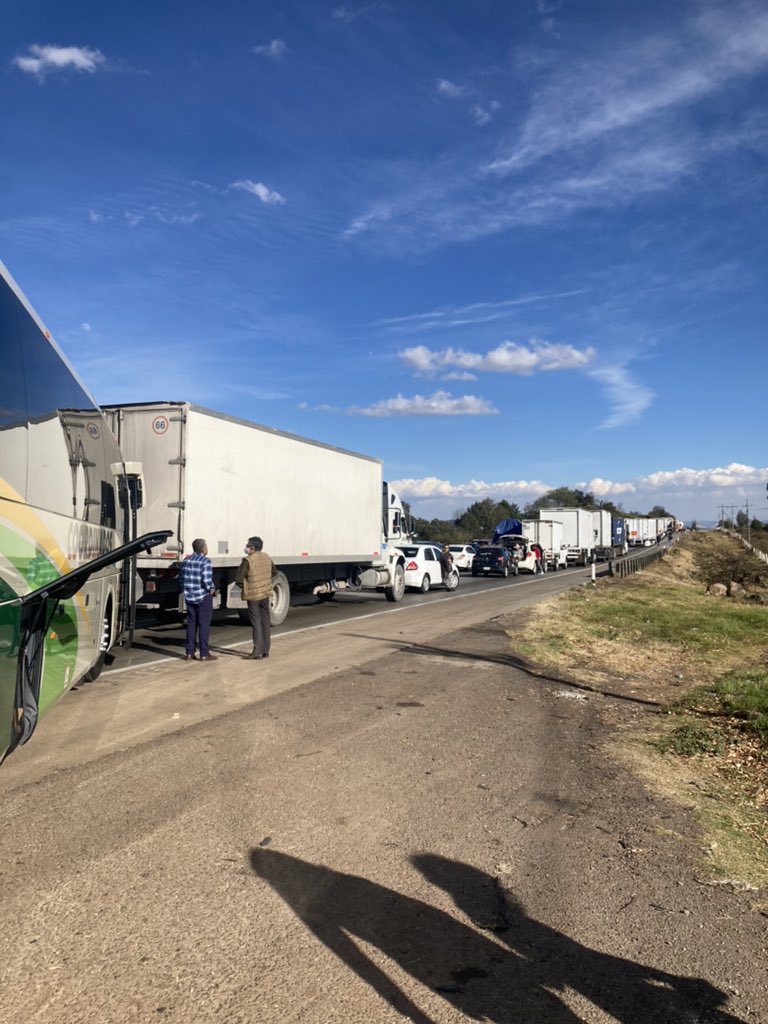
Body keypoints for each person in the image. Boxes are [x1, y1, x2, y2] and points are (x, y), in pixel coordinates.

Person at [236, 536, 277, 660]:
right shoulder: (267, 557)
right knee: (265, 621)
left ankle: (257, 651)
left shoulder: (248, 560)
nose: (246, 548)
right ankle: (266, 650)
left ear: (252, 548)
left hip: (253, 596)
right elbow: (274, 572)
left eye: (248, 546)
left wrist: (246, 585)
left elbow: (238, 578)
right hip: (265, 593)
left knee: (256, 623)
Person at [178, 538, 217, 662]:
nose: (207, 549)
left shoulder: (186, 561)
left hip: (189, 597)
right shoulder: (205, 562)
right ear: (202, 549)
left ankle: (189, 652)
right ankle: (204, 653)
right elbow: (206, 581)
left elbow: (181, 579)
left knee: (191, 624)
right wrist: (212, 590)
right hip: (202, 597)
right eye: (206, 546)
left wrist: (186, 591)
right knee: (204, 625)